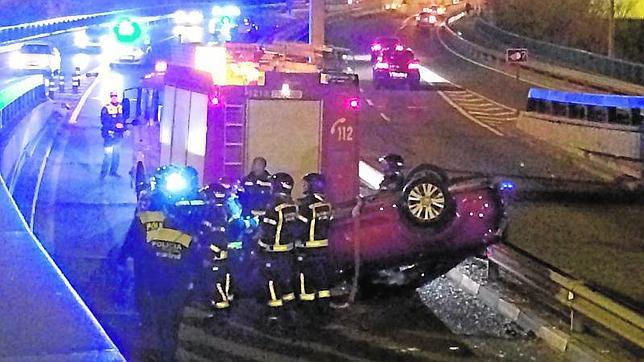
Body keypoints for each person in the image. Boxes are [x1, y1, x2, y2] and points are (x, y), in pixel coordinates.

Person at [118, 165, 203, 362]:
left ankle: (158, 352)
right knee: (168, 321)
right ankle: (165, 354)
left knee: (157, 318)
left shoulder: (154, 219)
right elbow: (194, 255)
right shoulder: (182, 226)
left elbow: (135, 238)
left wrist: (124, 257)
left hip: (158, 277)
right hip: (170, 279)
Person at [256, 172, 300, 325]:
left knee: (271, 283)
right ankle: (291, 311)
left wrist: (260, 246)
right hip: (287, 252)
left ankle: (275, 316)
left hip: (273, 252)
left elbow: (267, 231)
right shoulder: (291, 205)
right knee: (286, 283)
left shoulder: (274, 206)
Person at [295, 173, 333, 319]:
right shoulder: (325, 205)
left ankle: (309, 315)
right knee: (322, 283)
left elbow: (298, 229)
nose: (304, 187)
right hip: (323, 250)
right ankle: (325, 312)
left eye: (305, 184)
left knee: (306, 285)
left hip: (308, 251)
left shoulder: (307, 207)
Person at [199, 182, 234, 323]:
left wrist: (207, 249)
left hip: (214, 251)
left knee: (214, 281)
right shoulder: (228, 209)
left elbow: (207, 233)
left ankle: (220, 312)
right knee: (225, 278)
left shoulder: (212, 212)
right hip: (226, 251)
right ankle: (226, 305)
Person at [100, 91, 126, 178]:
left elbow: (123, 120)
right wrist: (115, 125)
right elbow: (104, 122)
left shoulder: (120, 107)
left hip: (118, 136)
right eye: (112, 96)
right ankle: (103, 173)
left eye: (115, 96)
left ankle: (113, 171)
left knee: (116, 155)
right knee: (107, 155)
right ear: (110, 97)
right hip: (109, 136)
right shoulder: (106, 108)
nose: (114, 98)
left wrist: (125, 129)